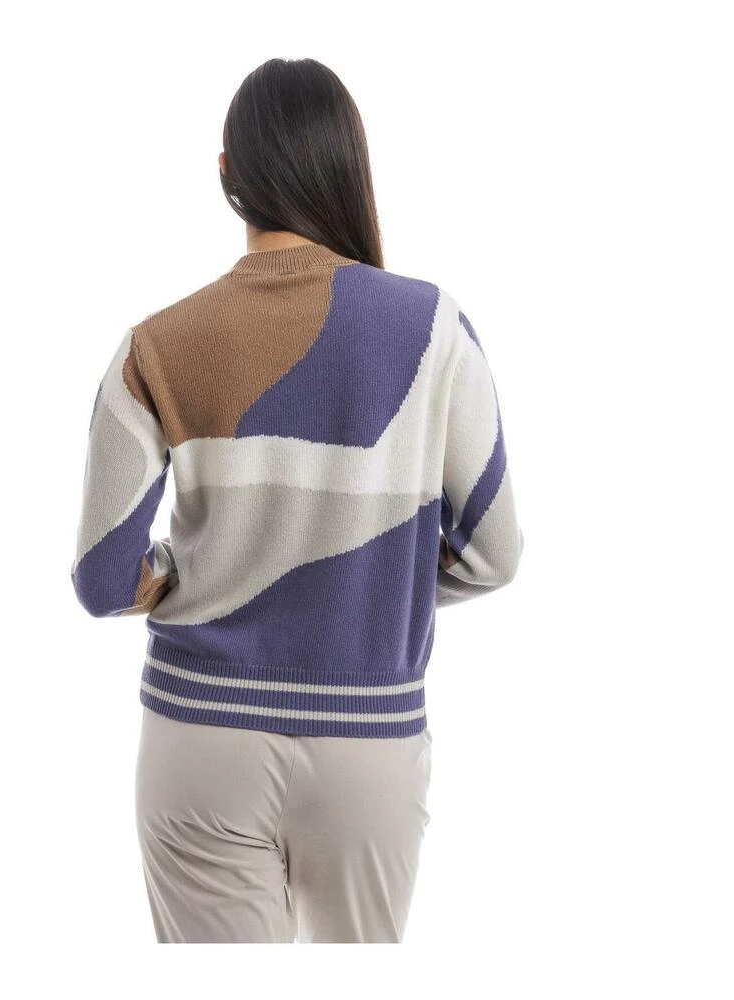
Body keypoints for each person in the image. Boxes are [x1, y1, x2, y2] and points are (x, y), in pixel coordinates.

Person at [69, 56, 525, 943]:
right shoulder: (436, 330)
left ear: (227, 175)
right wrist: (368, 581)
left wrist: (192, 571)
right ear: (349, 166)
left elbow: (101, 577)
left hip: (200, 736)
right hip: (370, 741)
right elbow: (495, 554)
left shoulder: (156, 344)